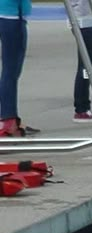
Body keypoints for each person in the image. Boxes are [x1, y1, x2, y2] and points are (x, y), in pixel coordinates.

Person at [0, 0, 32, 137]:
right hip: (12, 16)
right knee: (11, 71)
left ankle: (9, 117)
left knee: (9, 72)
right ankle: (8, 119)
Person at [69, 0, 92, 122]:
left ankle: (82, 107)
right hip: (86, 19)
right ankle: (82, 108)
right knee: (86, 66)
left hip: (82, 16)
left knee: (85, 65)